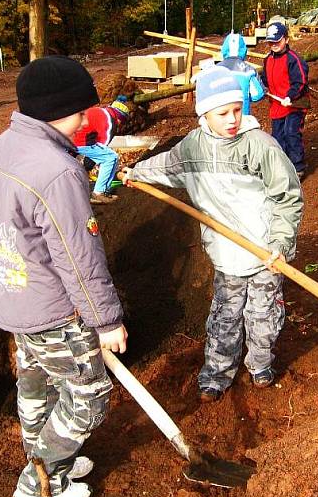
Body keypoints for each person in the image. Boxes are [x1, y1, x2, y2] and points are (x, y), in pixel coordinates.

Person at [0, 56, 128, 497]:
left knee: (36, 383)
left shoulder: (0, 148)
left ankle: (47, 459)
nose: (86, 120)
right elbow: (79, 258)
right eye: (82, 110)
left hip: (13, 304)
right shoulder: (57, 171)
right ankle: (41, 476)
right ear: (59, 110)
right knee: (89, 395)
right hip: (54, 310)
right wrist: (106, 321)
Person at [124, 66, 302, 402]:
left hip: (266, 254)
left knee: (264, 318)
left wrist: (280, 242)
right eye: (223, 113)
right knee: (225, 318)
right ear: (204, 113)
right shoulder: (193, 147)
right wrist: (138, 172)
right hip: (226, 255)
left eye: (237, 109)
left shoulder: (259, 146)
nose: (232, 119)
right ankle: (216, 375)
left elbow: (287, 196)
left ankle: (261, 365)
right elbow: (168, 166)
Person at [259, 22, 310, 178]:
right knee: (278, 137)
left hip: (295, 104)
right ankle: (282, 165)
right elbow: (265, 79)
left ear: (286, 40)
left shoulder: (293, 59)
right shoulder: (268, 60)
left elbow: (300, 81)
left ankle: (298, 167)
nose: (274, 44)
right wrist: (262, 87)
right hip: (277, 105)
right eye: (271, 42)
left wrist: (290, 95)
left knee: (291, 132)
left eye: (277, 41)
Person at [73, 95, 130, 204]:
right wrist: (89, 164)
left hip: (70, 134)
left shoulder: (101, 111)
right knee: (111, 158)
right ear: (119, 119)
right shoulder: (110, 122)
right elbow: (103, 145)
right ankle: (99, 192)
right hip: (80, 140)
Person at [217, 33, 265, 116]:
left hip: (221, 118)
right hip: (242, 117)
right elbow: (257, 94)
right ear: (243, 50)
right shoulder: (249, 70)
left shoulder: (216, 69)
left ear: (224, 48)